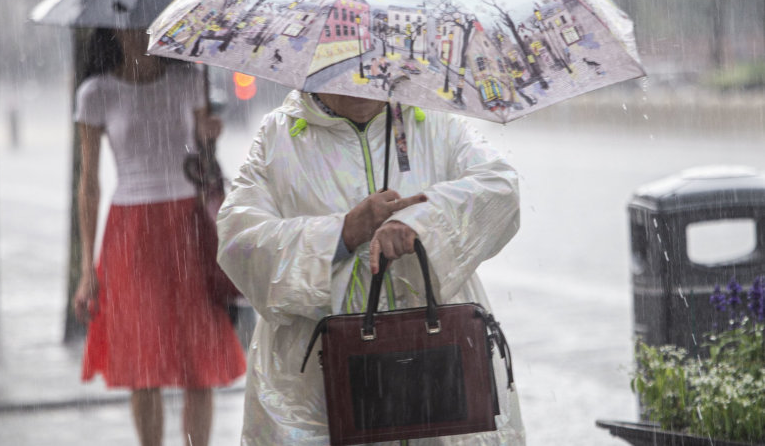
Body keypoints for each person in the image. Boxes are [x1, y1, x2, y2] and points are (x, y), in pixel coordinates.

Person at [217, 90, 525, 445]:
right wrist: (342, 232)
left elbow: (499, 186)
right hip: (320, 375)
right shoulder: (279, 136)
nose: (360, 86)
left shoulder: (437, 122)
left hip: (441, 359)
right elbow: (240, 239)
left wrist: (422, 223)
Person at [72, 28, 246, 446]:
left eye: (148, 23)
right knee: (140, 362)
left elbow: (204, 160)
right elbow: (89, 184)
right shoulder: (97, 92)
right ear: (113, 28)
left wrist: (208, 134)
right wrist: (86, 268)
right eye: (129, 23)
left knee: (197, 360)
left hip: (188, 228)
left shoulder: (190, 82)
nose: (138, 32)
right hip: (130, 233)